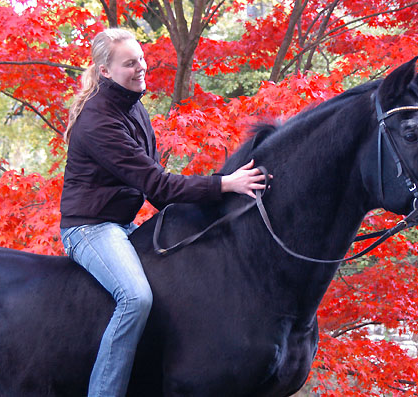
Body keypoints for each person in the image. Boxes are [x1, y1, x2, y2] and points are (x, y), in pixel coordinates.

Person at [59, 28, 266, 397]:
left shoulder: (132, 104)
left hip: (124, 223)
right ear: (105, 71)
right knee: (136, 298)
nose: (141, 67)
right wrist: (225, 184)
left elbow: (154, 188)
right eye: (129, 63)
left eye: (140, 58)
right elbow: (158, 184)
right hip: (90, 229)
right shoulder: (98, 121)